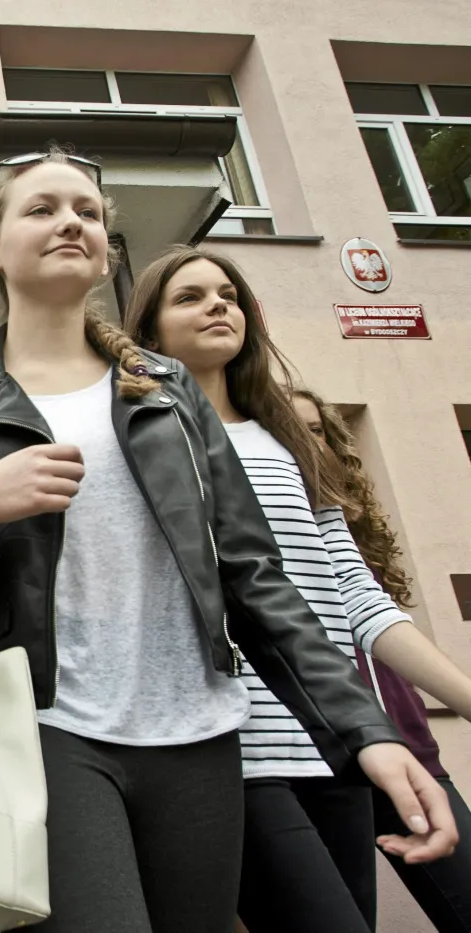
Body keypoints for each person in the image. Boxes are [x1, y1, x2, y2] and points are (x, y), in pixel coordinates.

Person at [0, 149, 455, 933]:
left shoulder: (168, 388)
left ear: (105, 251)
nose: (71, 222)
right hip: (47, 728)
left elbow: (257, 581)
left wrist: (366, 731)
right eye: (43, 208)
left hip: (199, 735)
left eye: (88, 212)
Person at [123, 243, 471, 933]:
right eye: (189, 296)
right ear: (151, 331)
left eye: (227, 293)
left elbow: (357, 595)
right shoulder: (141, 434)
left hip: (339, 741)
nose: (217, 304)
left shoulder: (288, 438)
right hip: (237, 750)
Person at [294, 385, 471, 933]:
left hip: (405, 747)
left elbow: (375, 616)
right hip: (311, 760)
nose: (304, 440)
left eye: (316, 429)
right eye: (288, 428)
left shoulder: (349, 531)